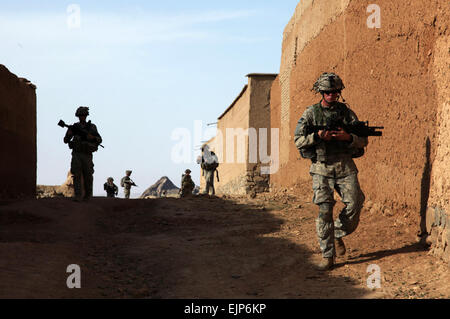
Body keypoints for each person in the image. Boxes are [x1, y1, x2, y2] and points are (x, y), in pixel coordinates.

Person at [294, 73, 368, 271]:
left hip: (344, 165)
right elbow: (298, 140)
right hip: (321, 167)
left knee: (355, 203)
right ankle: (328, 255)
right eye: (328, 92)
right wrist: (317, 136)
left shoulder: (347, 113)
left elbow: (363, 140)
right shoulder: (311, 113)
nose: (332, 95)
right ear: (321, 92)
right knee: (325, 211)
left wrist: (347, 138)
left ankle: (336, 233)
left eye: (336, 92)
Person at [63, 106, 102, 202]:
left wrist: (91, 137)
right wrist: (69, 133)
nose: (82, 117)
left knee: (88, 175)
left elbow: (99, 139)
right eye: (80, 115)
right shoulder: (75, 127)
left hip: (87, 154)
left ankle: (88, 195)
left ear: (86, 116)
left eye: (83, 115)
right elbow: (65, 140)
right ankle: (78, 195)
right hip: (76, 154)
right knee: (76, 175)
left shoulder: (92, 127)